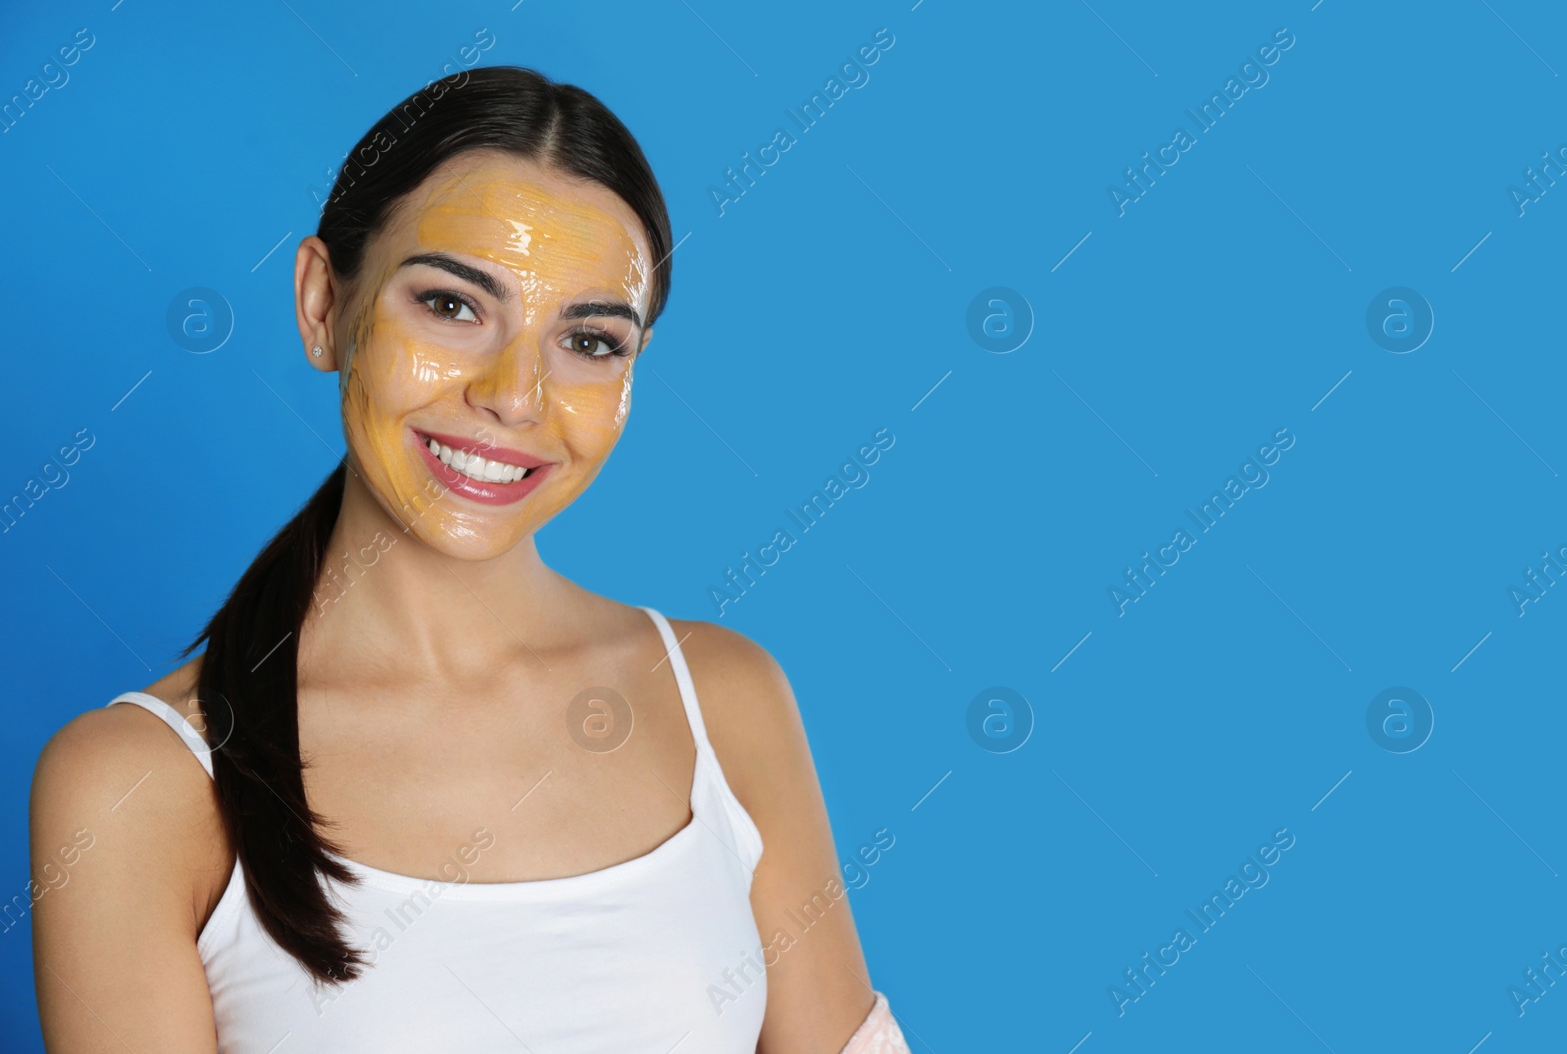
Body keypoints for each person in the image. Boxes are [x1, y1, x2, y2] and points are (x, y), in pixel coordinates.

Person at [30, 65, 909, 1053]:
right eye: (451, 306)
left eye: (587, 337)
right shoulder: (136, 783)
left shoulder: (725, 698)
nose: (514, 395)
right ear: (325, 302)